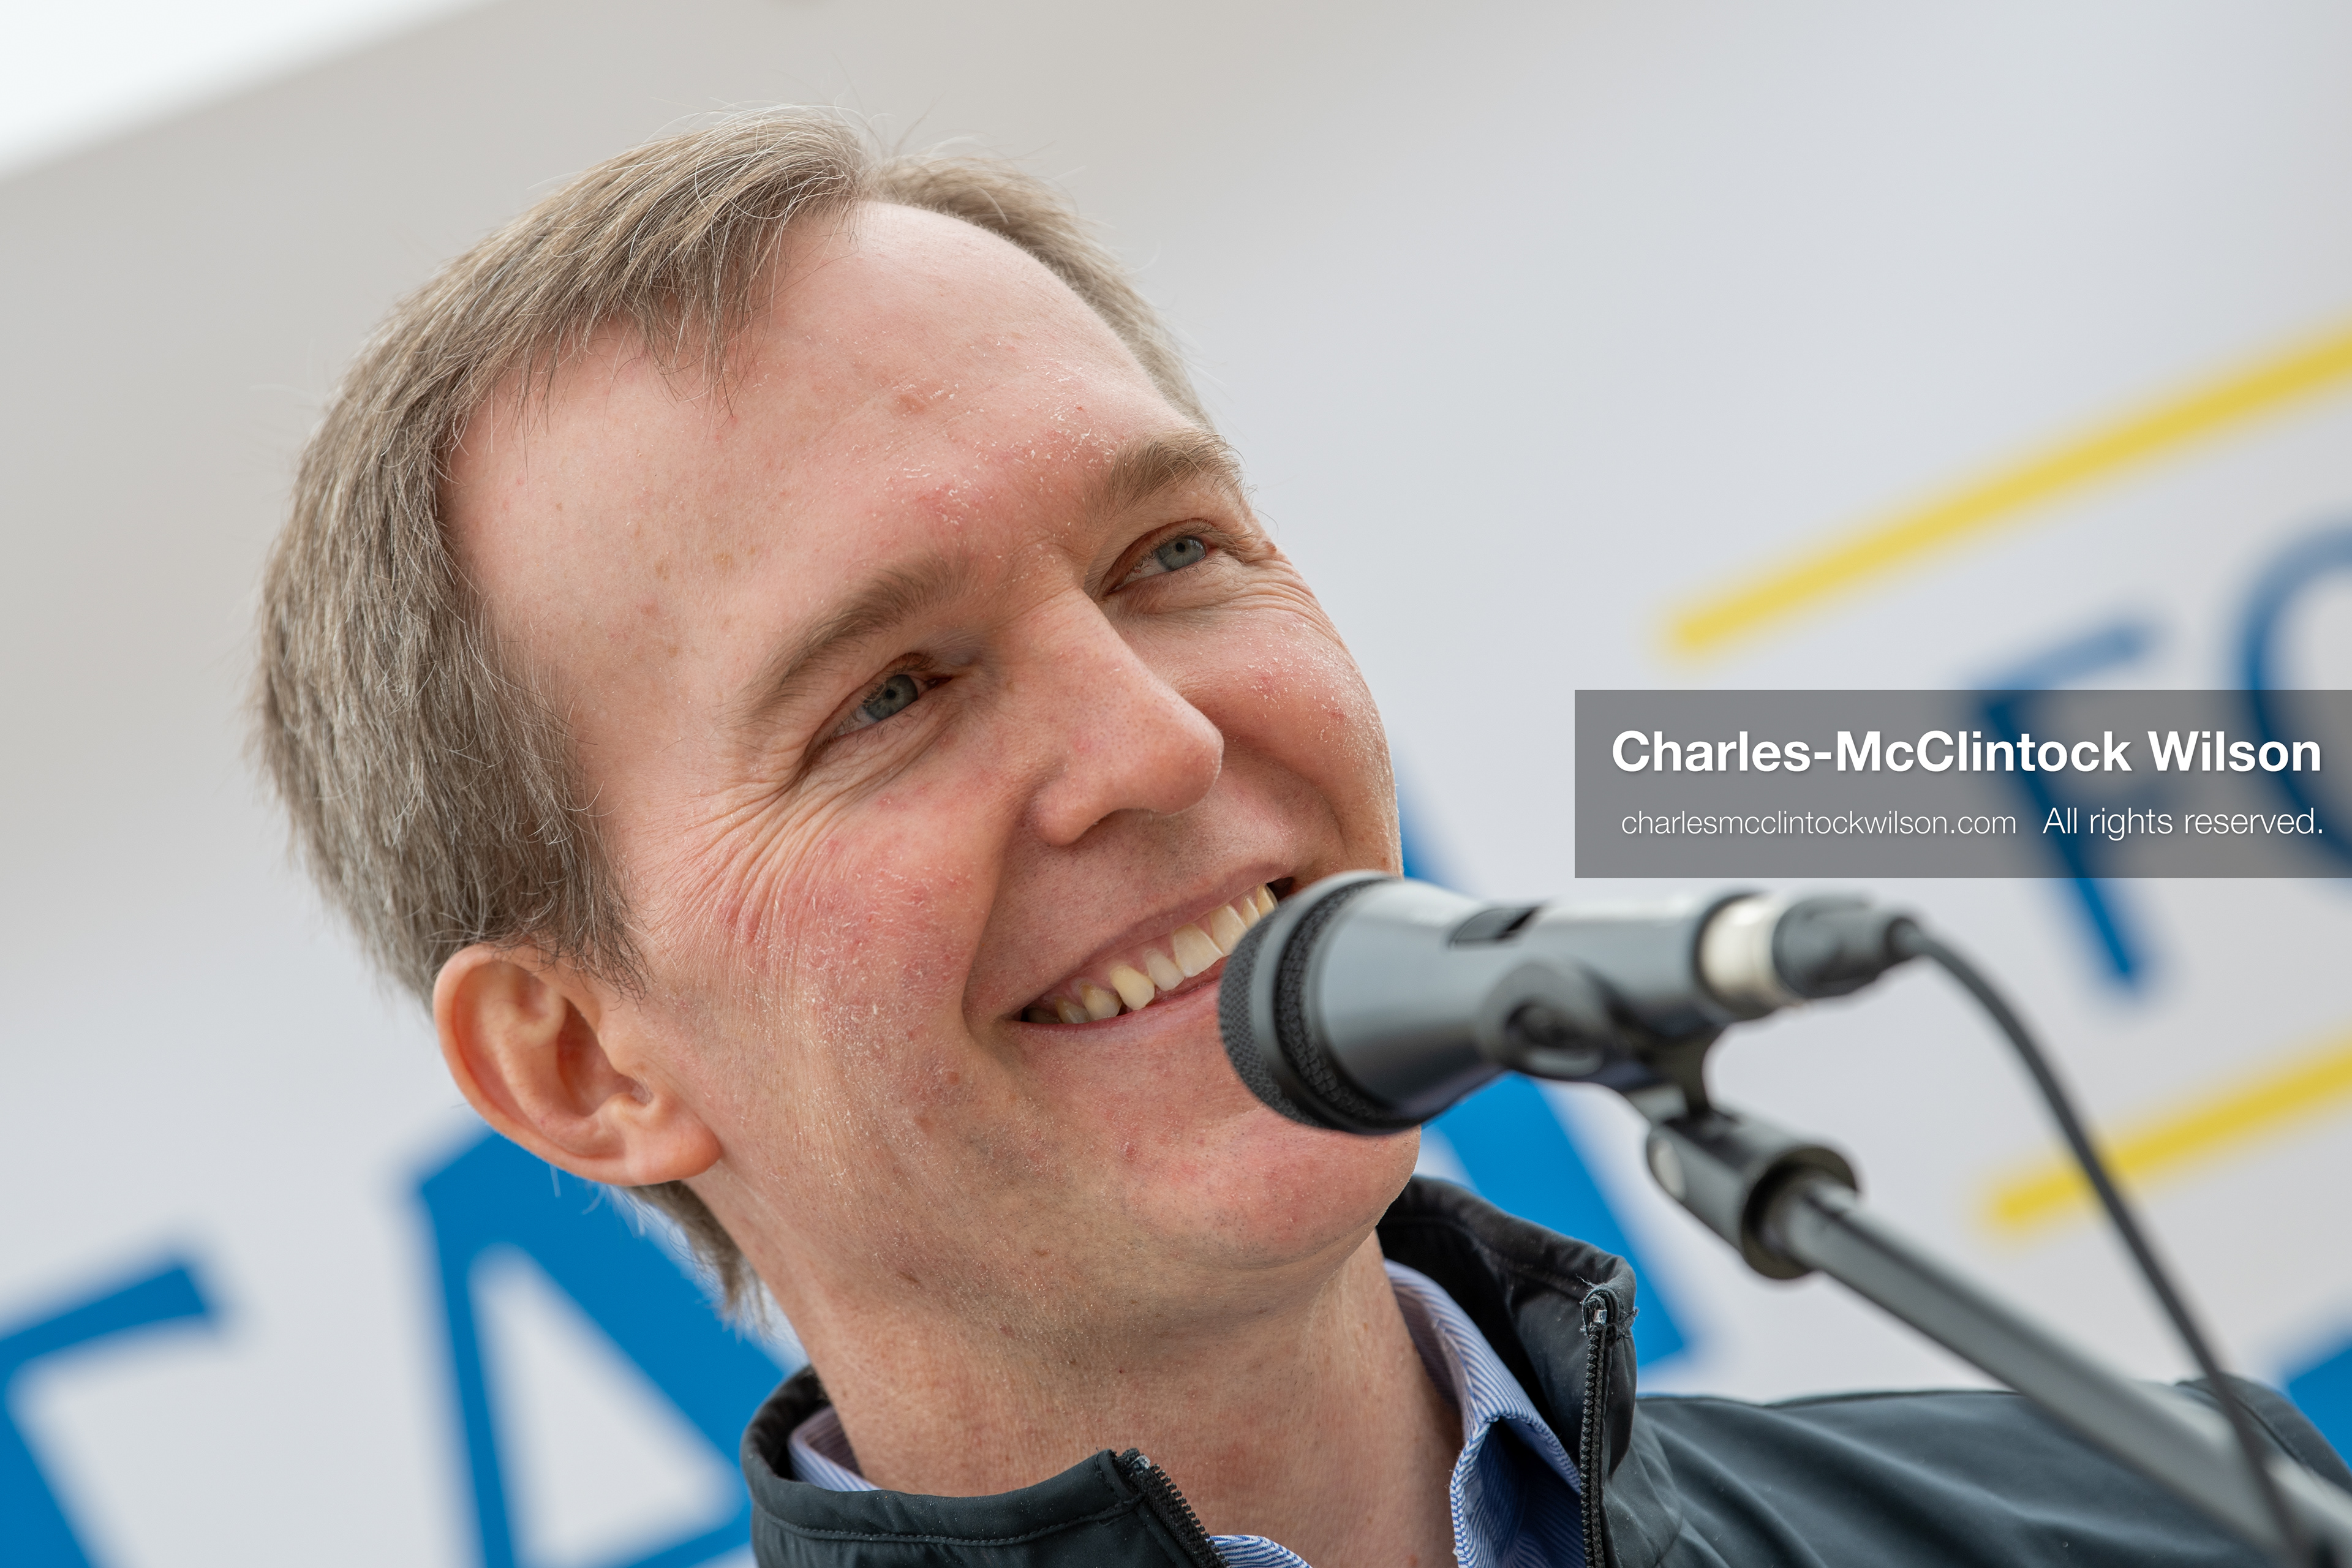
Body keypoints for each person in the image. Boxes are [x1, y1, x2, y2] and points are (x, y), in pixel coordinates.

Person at [257, 111, 2346, 1567]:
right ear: (584, 1064)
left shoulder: (2178, 1518)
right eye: (891, 693)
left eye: (1174, 552)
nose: (1155, 739)